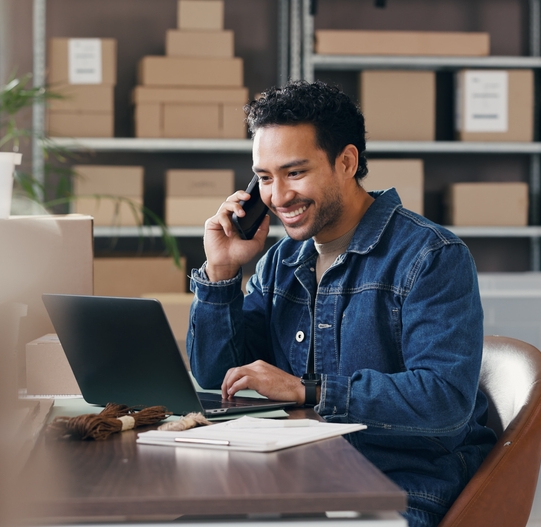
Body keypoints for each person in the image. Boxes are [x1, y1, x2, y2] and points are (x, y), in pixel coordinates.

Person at [187, 80, 496, 527]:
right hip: (298, 473)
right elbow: (219, 377)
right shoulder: (280, 260)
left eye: (294, 173)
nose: (277, 197)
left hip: (396, 485)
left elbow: (443, 402)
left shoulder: (432, 255)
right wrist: (221, 273)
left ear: (347, 161)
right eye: (264, 178)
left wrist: (305, 388)